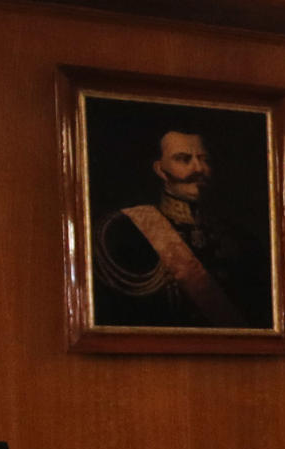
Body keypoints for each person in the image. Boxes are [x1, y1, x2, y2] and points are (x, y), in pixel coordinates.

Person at [91, 125, 272, 327]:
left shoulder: (241, 238)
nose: (198, 169)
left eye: (204, 160)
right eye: (183, 159)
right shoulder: (124, 231)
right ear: (160, 169)